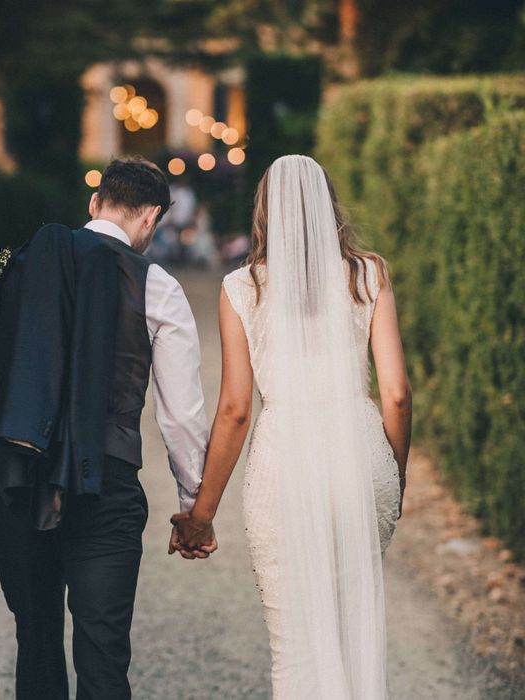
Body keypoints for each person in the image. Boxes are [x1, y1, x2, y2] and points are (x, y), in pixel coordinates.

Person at [0, 156, 211, 700]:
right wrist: (195, 502)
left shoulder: (18, 266)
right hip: (107, 484)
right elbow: (180, 413)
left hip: (21, 482)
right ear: (152, 217)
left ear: (94, 203)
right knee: (102, 654)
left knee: (38, 642)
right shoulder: (156, 285)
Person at [172, 154, 412, 699]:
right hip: (361, 458)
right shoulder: (367, 274)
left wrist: (200, 514)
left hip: (284, 469)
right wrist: (393, 477)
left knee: (296, 649)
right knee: (352, 631)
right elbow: (395, 394)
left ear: (264, 212)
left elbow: (236, 410)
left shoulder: (242, 289)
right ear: (328, 206)